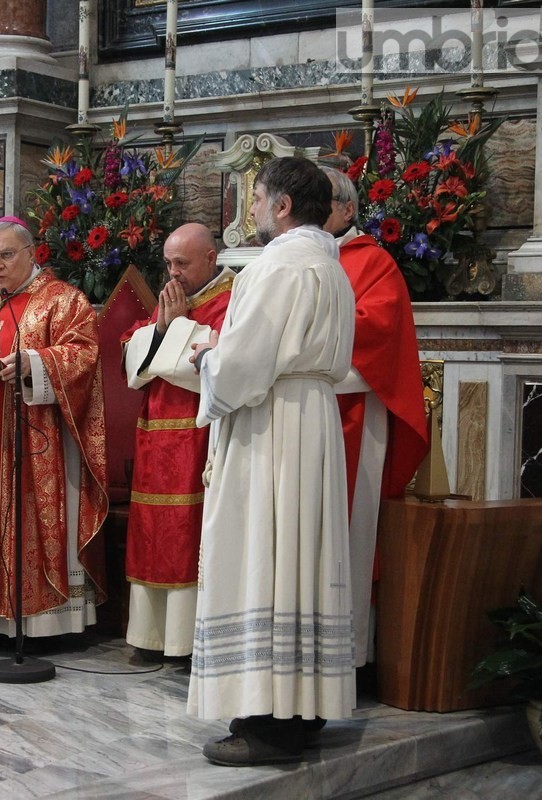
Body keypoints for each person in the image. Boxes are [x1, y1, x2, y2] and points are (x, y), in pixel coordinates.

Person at [188, 157, 356, 766]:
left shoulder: (277, 266)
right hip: (311, 418)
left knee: (265, 554)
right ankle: (302, 711)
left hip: (272, 426)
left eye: (257, 199)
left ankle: (264, 722)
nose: (252, 210)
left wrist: (208, 351)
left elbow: (241, 368)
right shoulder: (331, 265)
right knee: (301, 562)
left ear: (283, 205)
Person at [0, 216, 108, 638]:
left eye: (6, 255)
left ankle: (37, 628)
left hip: (37, 441)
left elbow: (84, 356)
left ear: (31, 254)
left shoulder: (62, 300)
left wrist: (37, 364)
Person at [321, 166, 429, 669]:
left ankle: (346, 656)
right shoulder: (293, 259)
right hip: (296, 414)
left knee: (346, 536)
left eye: (321, 201)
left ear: (347, 209)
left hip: (352, 416)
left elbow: (376, 334)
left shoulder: (374, 263)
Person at [120, 223, 234, 660]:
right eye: (168, 263)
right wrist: (164, 328)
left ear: (210, 257)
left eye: (182, 263)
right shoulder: (173, 302)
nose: (173, 273)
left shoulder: (231, 299)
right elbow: (135, 355)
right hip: (155, 437)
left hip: (198, 436)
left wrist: (172, 329)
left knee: (189, 534)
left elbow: (215, 359)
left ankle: (186, 641)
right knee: (152, 533)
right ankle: (152, 636)